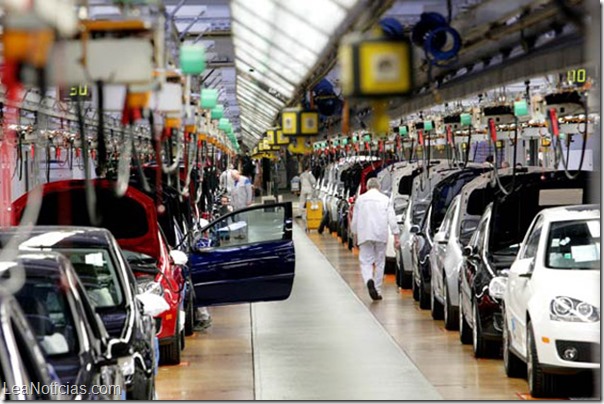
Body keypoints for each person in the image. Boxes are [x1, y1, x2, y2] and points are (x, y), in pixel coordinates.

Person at [351, 178, 400, 301]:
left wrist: (354, 235)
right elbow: (392, 219)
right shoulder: (385, 199)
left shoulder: (360, 200)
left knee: (366, 262)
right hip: (380, 234)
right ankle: (377, 290)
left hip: (365, 234)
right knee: (380, 262)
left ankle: (369, 280)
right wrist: (396, 236)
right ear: (379, 187)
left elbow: (355, 221)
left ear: (367, 187)